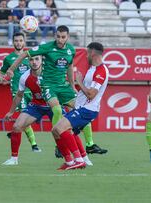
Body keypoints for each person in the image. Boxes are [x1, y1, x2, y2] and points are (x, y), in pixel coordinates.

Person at [6, 25, 107, 156]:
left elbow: (70, 67)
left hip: (63, 86)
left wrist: (72, 86)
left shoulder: (71, 50)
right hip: (48, 86)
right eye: (58, 36)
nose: (60, 40)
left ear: (68, 37)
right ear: (55, 36)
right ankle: (58, 145)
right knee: (58, 110)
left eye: (63, 37)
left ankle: (90, 144)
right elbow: (25, 53)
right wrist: (12, 69)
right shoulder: (47, 47)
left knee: (82, 109)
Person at [52, 42, 108, 170]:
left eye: (88, 53)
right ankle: (71, 161)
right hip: (81, 108)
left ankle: (78, 160)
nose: (86, 55)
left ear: (93, 53)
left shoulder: (101, 71)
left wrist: (79, 82)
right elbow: (86, 92)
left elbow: (91, 95)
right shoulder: (92, 68)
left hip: (87, 110)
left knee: (60, 129)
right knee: (56, 131)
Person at [2, 55, 50, 165]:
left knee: (63, 129)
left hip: (53, 104)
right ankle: (14, 159)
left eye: (37, 59)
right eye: (31, 59)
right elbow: (19, 95)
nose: (34, 62)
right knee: (16, 126)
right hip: (37, 105)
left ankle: (81, 157)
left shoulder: (50, 72)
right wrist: (11, 111)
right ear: (28, 61)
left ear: (42, 60)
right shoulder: (24, 76)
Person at [0, 32, 41, 153]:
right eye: (16, 41)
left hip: (32, 90)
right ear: (13, 42)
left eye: (20, 40)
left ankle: (14, 132)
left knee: (32, 116)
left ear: (24, 42)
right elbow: (2, 73)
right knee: (24, 114)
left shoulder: (30, 56)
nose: (18, 43)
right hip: (18, 91)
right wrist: (3, 79)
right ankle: (34, 145)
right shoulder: (8, 59)